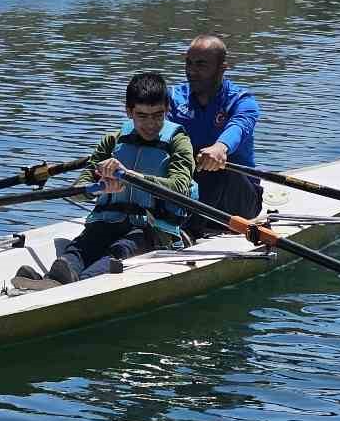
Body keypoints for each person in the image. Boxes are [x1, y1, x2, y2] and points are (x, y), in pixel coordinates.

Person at [16, 72, 197, 287]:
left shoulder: (179, 142)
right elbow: (78, 192)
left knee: (123, 248)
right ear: (129, 111)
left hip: (152, 230)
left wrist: (129, 176)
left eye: (158, 115)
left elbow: (178, 187)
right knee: (86, 242)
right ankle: (56, 277)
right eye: (142, 116)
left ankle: (75, 284)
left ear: (167, 109)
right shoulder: (112, 141)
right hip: (108, 221)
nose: (151, 124)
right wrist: (99, 188)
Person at [168, 34, 263, 236]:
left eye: (201, 65)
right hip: (188, 188)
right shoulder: (174, 98)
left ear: (222, 68)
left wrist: (220, 148)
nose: (192, 71)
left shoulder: (241, 101)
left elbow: (238, 128)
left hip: (239, 201)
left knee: (216, 170)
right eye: (189, 63)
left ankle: (184, 231)